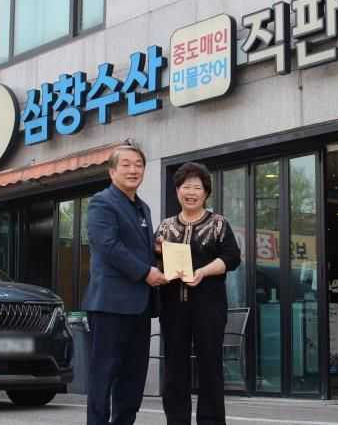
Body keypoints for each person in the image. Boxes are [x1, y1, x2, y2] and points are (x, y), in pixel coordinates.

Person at [82, 144, 167, 425]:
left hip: (140, 305)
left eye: (139, 165)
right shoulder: (102, 202)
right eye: (126, 164)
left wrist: (155, 250)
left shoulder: (143, 207)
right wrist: (145, 272)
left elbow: (134, 246)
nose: (133, 170)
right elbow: (107, 245)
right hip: (110, 304)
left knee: (133, 378)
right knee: (103, 375)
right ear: (112, 171)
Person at [155, 162, 241, 425]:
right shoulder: (165, 227)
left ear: (206, 193)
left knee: (210, 366)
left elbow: (232, 258)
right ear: (177, 191)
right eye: (185, 187)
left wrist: (203, 271)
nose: (190, 192)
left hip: (209, 307)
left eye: (197, 187)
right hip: (173, 306)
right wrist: (159, 255)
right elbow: (154, 262)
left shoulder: (218, 224)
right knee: (174, 368)